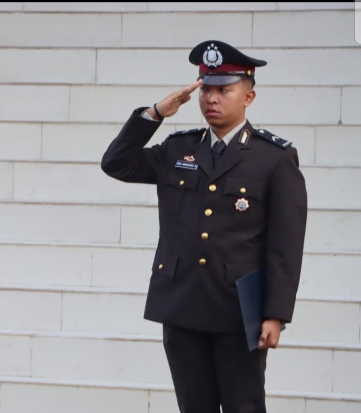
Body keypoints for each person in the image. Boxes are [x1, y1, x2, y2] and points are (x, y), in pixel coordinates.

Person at [100, 40, 308, 412]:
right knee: (194, 406)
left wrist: (275, 313)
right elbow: (117, 163)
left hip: (238, 309)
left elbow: (285, 245)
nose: (212, 98)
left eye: (224, 91)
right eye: (206, 89)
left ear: (248, 97)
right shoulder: (177, 149)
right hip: (181, 302)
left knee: (244, 405)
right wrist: (155, 114)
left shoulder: (273, 158)